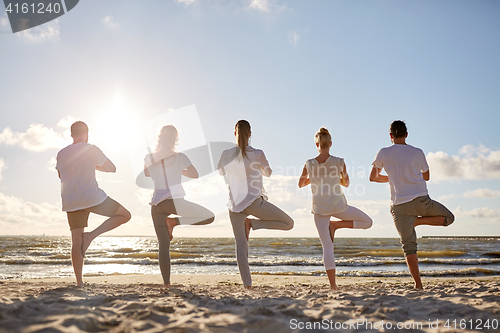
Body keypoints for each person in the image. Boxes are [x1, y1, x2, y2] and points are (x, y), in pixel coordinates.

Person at [369, 120, 455, 289]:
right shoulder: (418, 152)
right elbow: (427, 176)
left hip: (400, 207)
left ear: (391, 136)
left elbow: (373, 177)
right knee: (449, 218)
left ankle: (418, 284)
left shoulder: (383, 152)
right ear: (406, 135)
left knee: (409, 247)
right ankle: (418, 221)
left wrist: (393, 178)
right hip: (422, 202)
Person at [218, 120, 294, 289]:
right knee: (289, 224)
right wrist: (257, 165)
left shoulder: (226, 154)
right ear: (250, 133)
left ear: (235, 133)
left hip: (234, 205)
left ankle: (248, 286)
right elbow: (268, 173)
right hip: (254, 202)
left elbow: (221, 171)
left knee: (241, 246)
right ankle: (253, 224)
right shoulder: (258, 153)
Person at [56, 121, 131, 287]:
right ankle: (91, 236)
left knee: (76, 242)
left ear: (71, 135)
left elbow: (61, 175)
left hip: (71, 200)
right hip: (92, 197)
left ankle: (79, 283)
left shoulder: (61, 153)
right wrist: (94, 166)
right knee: (125, 215)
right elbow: (112, 168)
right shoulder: (91, 149)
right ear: (87, 134)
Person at [298, 127, 372, 290]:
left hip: (320, 210)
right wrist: (333, 178)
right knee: (368, 222)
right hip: (339, 207)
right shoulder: (339, 162)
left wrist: (315, 177)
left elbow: (301, 184)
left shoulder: (309, 164)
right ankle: (337, 225)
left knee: (328, 248)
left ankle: (333, 286)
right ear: (330, 144)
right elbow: (346, 183)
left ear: (316, 144)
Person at [144, 125, 215, 288]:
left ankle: (167, 284)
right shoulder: (180, 158)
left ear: (159, 138)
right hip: (174, 201)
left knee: (163, 245)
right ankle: (174, 222)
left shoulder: (149, 157)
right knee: (209, 217)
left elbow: (147, 173)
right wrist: (179, 170)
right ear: (175, 140)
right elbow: (195, 174)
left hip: (156, 204)